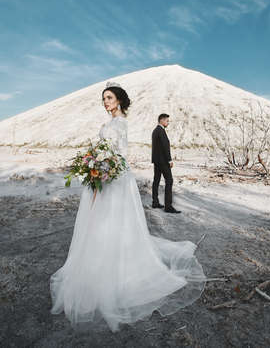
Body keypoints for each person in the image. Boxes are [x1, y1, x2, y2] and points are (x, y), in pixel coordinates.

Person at [50, 82, 206, 332]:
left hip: (115, 178)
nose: (105, 102)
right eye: (103, 98)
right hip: (102, 175)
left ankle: (118, 269)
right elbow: (104, 151)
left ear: (119, 100)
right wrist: (93, 165)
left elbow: (119, 155)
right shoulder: (107, 124)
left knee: (115, 223)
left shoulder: (120, 123)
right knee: (99, 223)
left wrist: (105, 169)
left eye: (109, 97)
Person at [152, 114, 181, 213]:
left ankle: (155, 202)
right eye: (167, 121)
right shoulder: (161, 131)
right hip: (163, 161)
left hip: (157, 161)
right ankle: (168, 207)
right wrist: (169, 160)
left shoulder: (155, 130)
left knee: (156, 181)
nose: (168, 123)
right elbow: (165, 147)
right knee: (169, 180)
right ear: (162, 120)